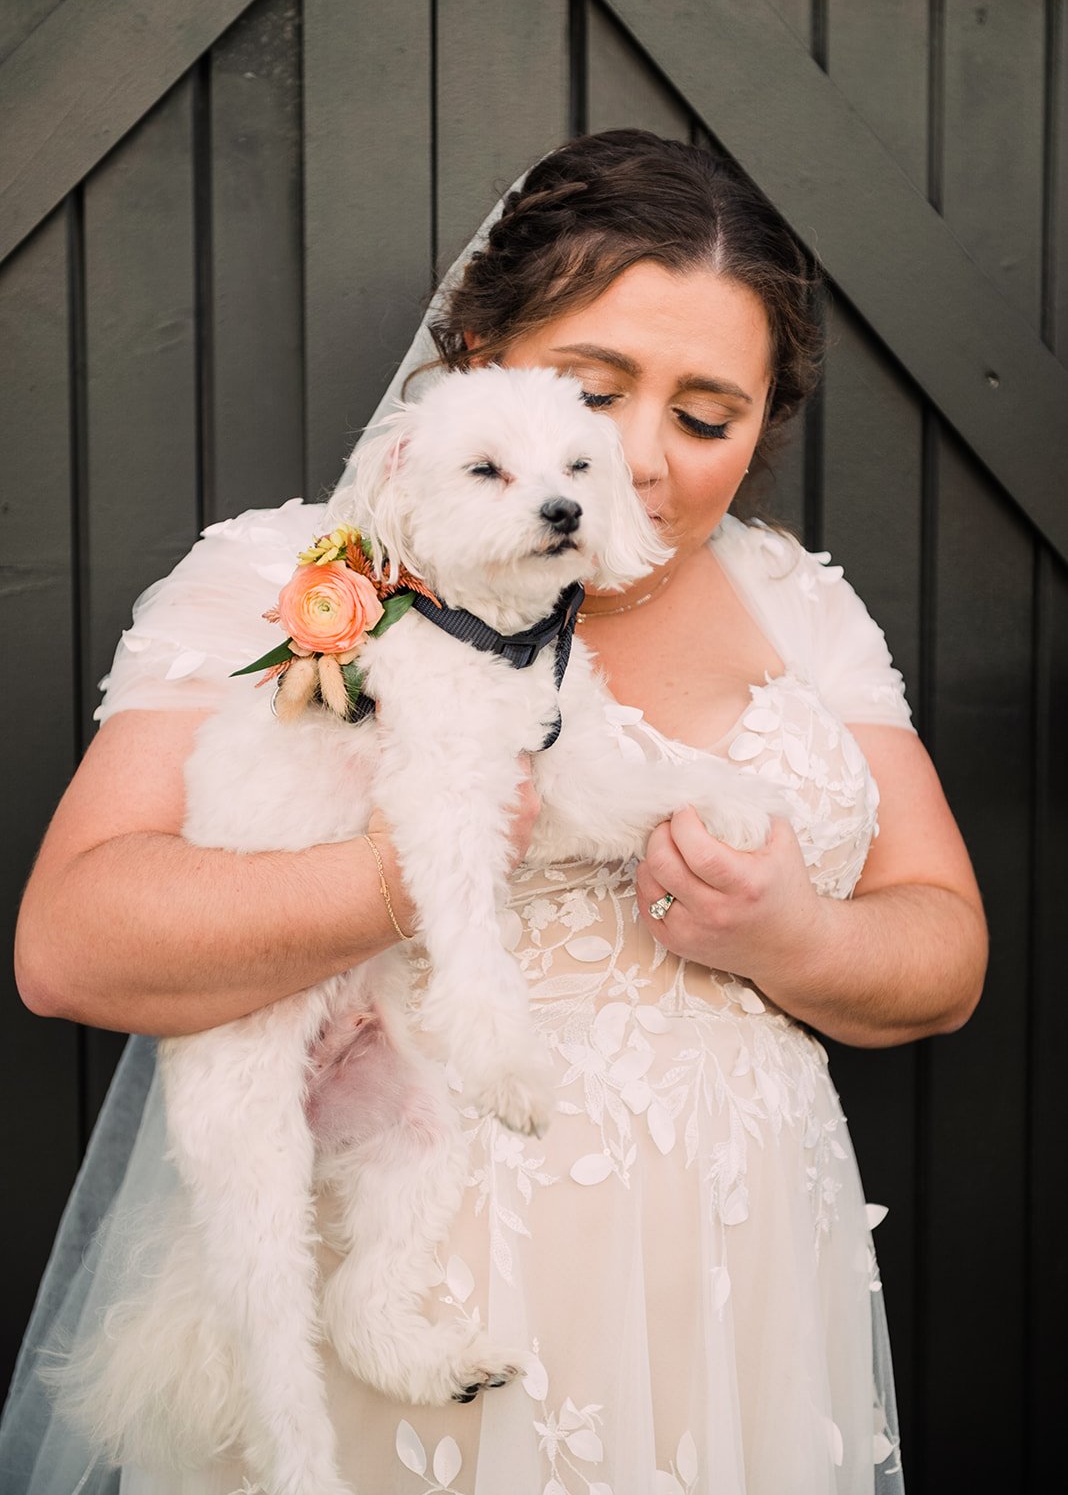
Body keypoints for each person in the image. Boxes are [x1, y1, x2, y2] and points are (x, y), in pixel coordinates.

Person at [6, 129, 986, 1495]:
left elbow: (941, 949)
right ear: (476, 350)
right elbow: (72, 945)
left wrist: (794, 937)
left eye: (709, 418)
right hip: (421, 1277)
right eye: (591, 390)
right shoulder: (297, 578)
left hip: (731, 1290)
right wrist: (427, 848)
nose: (635, 459)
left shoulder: (800, 605)